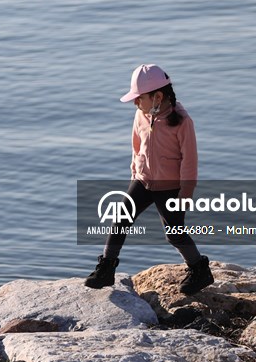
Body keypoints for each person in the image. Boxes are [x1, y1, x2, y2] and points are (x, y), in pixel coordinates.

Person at [84, 63, 214, 294]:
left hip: (171, 187)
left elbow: (190, 161)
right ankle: (106, 269)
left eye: (139, 97)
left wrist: (185, 194)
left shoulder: (183, 121)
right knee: (120, 220)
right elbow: (137, 147)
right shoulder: (141, 114)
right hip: (143, 180)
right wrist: (135, 172)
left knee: (174, 233)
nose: (135, 102)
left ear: (158, 96)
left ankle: (199, 270)